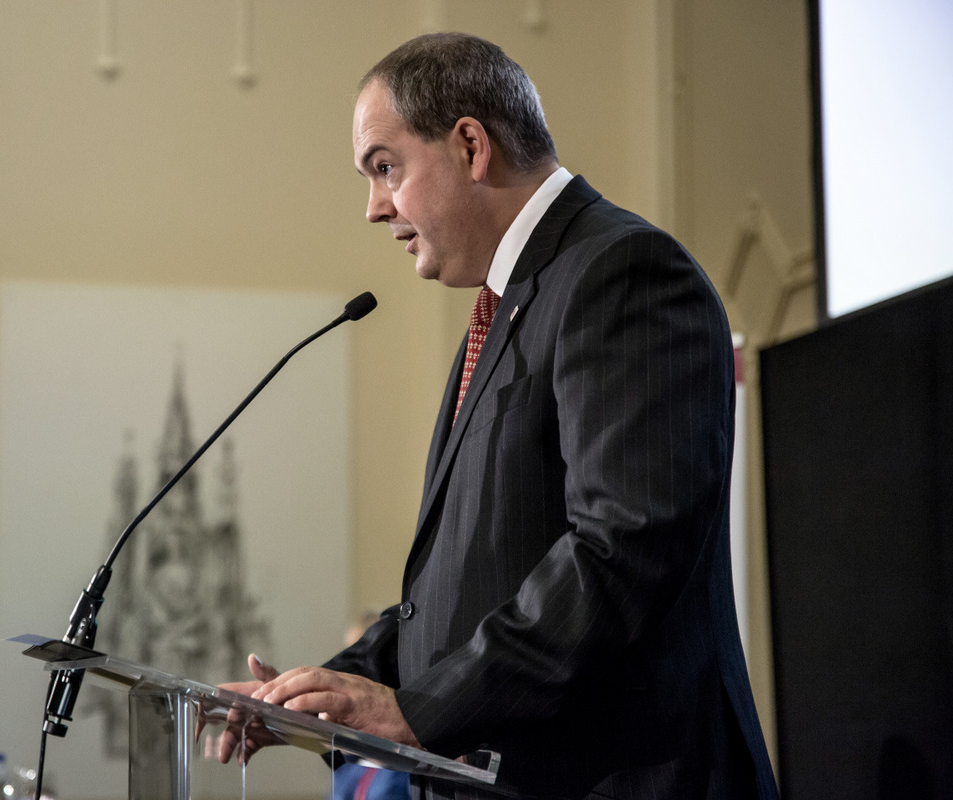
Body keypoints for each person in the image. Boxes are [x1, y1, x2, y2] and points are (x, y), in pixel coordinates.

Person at [214, 32, 779, 800]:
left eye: (385, 167)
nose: (374, 207)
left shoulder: (624, 273)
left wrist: (420, 711)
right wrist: (323, 695)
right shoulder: (509, 305)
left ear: (471, 146)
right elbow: (472, 585)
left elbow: (621, 551)